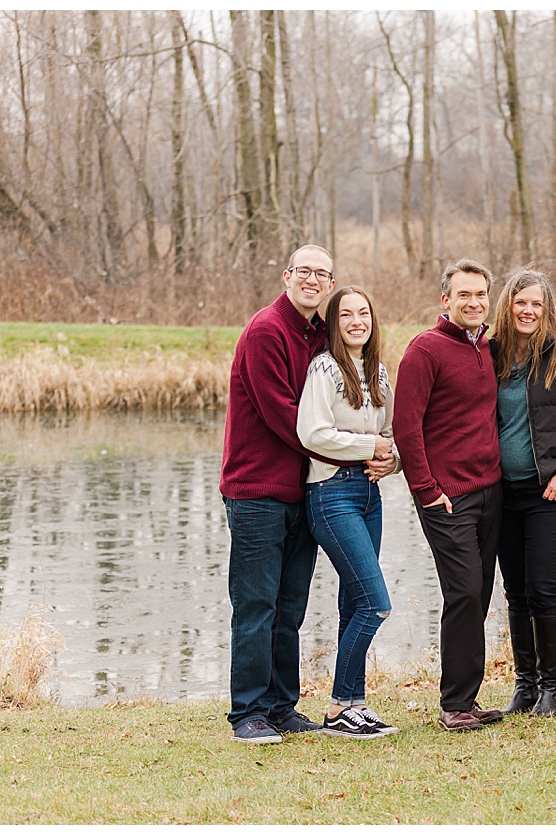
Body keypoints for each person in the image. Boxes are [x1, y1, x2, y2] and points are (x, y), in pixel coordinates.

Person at [220, 244, 336, 743]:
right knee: (255, 605)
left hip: (302, 490)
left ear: (330, 284)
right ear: (287, 275)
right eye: (304, 271)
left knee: (289, 606)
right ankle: (247, 711)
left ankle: (281, 706)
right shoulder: (266, 330)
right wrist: (352, 453)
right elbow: (288, 417)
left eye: (322, 274)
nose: (312, 280)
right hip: (257, 491)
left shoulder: (322, 334)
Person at [392, 258, 505, 732]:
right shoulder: (425, 350)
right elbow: (405, 426)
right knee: (462, 591)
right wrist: (425, 490)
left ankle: (467, 697)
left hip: (490, 490)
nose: (474, 302)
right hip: (446, 498)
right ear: (446, 300)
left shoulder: (489, 349)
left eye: (480, 295)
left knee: (478, 595)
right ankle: (453, 703)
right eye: (464, 295)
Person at [297, 286, 401, 739]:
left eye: (364, 313)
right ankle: (339, 707)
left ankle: (357, 704)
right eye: (346, 315)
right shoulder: (324, 368)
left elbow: (392, 434)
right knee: (376, 605)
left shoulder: (378, 374)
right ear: (335, 323)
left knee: (354, 602)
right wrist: (369, 446)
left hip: (368, 494)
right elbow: (311, 433)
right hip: (330, 493)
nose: (357, 321)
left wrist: (389, 459)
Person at [489, 268, 556, 718]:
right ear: (508, 306)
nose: (528, 311)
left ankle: (551, 688)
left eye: (536, 303)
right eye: (520, 302)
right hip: (502, 493)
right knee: (515, 591)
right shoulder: (490, 355)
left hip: (551, 491)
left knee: (543, 588)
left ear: (546, 309)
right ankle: (524, 685)